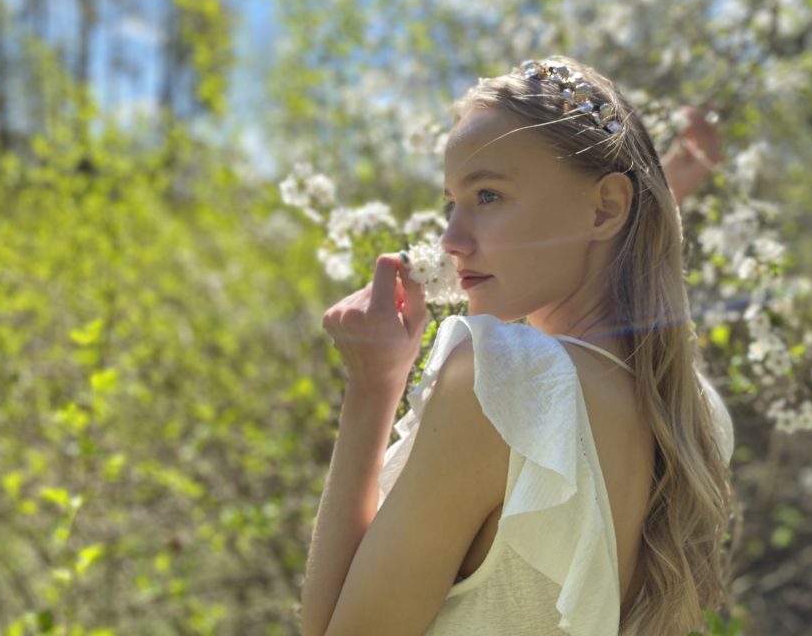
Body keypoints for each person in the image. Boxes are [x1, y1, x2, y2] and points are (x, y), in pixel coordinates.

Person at [302, 56, 734, 636]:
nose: (451, 241)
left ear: (606, 208)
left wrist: (372, 386)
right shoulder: (693, 414)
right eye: (450, 204)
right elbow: (611, 254)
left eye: (488, 196)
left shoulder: (505, 386)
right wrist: (667, 185)